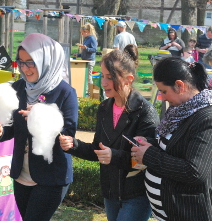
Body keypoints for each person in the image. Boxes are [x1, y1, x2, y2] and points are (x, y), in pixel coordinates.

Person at [59, 50, 159, 221]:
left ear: (129, 79)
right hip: (110, 192)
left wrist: (114, 156)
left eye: (110, 77)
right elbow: (97, 150)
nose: (104, 82)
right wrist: (73, 145)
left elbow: (145, 160)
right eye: (103, 76)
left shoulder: (145, 112)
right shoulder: (104, 108)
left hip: (136, 195)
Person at [0, 33, 78, 220]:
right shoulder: (18, 88)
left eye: (31, 62)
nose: (25, 68)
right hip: (21, 174)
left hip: (52, 176)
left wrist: (40, 119)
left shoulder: (65, 93)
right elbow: (11, 127)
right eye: (21, 62)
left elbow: (68, 135)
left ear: (44, 60)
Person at [131, 57, 212, 220]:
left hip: (192, 213)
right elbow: (175, 148)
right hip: (171, 212)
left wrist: (148, 155)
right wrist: (152, 144)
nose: (162, 97)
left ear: (180, 85)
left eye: (164, 91)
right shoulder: (181, 111)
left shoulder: (210, 119)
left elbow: (194, 171)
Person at [77, 23, 98, 91]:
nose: (82, 34)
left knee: (89, 77)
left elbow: (94, 49)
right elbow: (85, 50)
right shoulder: (86, 38)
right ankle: (85, 90)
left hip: (90, 61)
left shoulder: (92, 39)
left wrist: (86, 48)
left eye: (82, 33)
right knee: (84, 77)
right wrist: (79, 55)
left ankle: (90, 91)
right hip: (85, 60)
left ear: (87, 32)